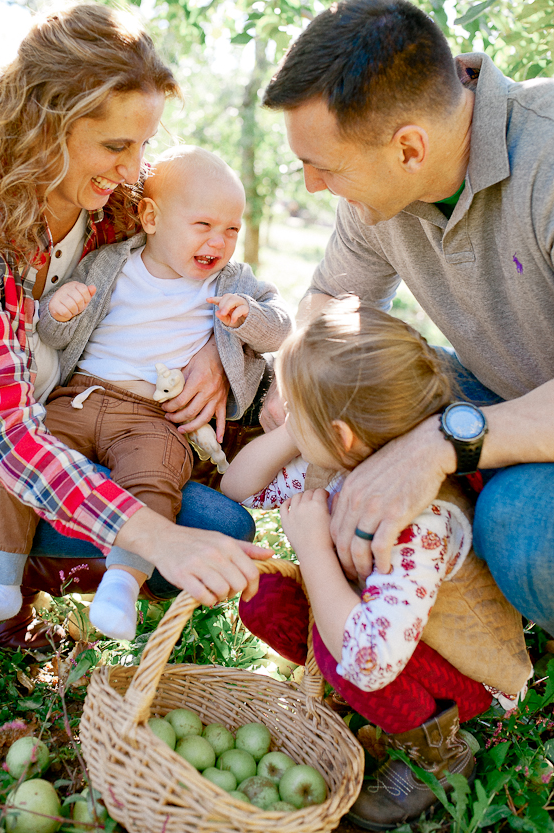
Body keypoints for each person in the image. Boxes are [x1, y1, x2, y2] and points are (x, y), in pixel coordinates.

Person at [0, 2, 271, 650]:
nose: (133, 169)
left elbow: (194, 275)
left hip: (89, 419)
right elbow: (8, 437)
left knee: (218, 522)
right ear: (40, 129)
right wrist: (157, 537)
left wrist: (214, 346)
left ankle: (28, 568)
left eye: (144, 145)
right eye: (117, 145)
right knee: (197, 530)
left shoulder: (117, 208)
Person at [259, 0, 554, 638]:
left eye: (323, 166)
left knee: (523, 533)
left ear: (409, 148)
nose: (311, 185)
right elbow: (330, 308)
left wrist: (442, 441)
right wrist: (299, 394)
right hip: (500, 396)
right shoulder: (376, 198)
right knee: (361, 393)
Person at [0, 146, 291, 643]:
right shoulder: (109, 265)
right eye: (204, 225)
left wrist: (246, 318)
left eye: (232, 229)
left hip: (152, 416)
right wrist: (56, 312)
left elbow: (280, 329)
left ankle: (123, 582)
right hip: (80, 397)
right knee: (19, 468)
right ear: (150, 217)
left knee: (154, 480)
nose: (220, 241)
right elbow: (59, 339)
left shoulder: (232, 281)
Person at [222, 299, 531, 830]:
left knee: (339, 649)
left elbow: (368, 659)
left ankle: (437, 751)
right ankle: (369, 709)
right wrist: (298, 431)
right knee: (263, 595)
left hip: (461, 677)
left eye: (294, 410)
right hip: (387, 637)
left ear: (342, 436)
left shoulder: (421, 521)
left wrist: (314, 549)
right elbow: (238, 488)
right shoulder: (339, 465)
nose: (287, 419)